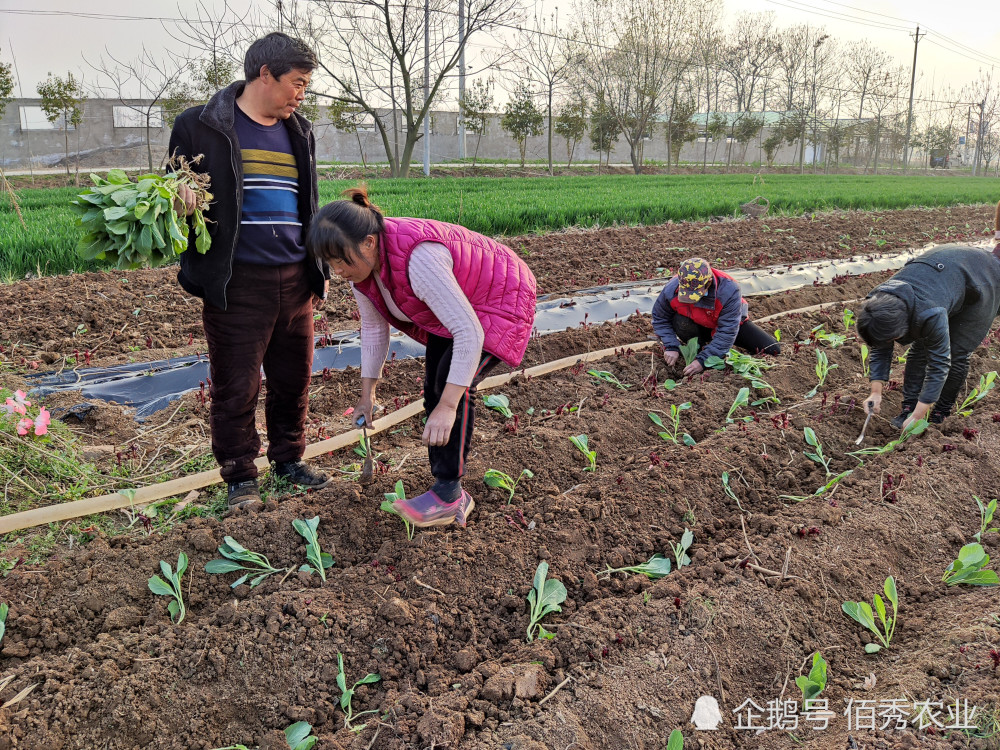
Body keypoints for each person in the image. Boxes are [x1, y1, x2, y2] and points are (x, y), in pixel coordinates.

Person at [307, 187, 537, 529]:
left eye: (341, 259)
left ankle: (450, 494)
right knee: (435, 385)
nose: (336, 269)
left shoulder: (419, 260)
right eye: (330, 262)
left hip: (501, 297)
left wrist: (447, 407)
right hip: (461, 307)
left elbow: (470, 333)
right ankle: (445, 486)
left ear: (369, 243)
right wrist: (367, 396)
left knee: (451, 387)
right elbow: (374, 330)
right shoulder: (363, 273)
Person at [170, 32, 332, 509]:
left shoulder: (299, 131)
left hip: (295, 278)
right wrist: (179, 198)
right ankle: (241, 475)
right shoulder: (201, 126)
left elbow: (309, 202)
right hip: (237, 282)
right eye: (297, 82)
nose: (301, 93)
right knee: (237, 383)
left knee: (293, 379)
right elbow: (173, 193)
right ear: (265, 74)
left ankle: (289, 460)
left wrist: (317, 266)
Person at [859, 244, 1000, 430]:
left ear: (906, 322)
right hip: (946, 274)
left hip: (982, 281)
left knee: (956, 353)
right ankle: (908, 407)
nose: (891, 343)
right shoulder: (877, 303)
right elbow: (880, 347)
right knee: (920, 347)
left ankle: (940, 412)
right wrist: (875, 392)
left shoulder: (929, 313)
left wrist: (920, 414)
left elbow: (940, 363)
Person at [651, 257, 780, 375]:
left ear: (708, 283)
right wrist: (671, 346)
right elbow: (660, 318)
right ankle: (700, 347)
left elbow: (727, 331)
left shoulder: (729, 290)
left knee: (772, 349)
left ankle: (709, 351)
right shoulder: (671, 289)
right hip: (696, 324)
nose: (690, 298)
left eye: (695, 295)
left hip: (725, 324)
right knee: (680, 321)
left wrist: (703, 361)